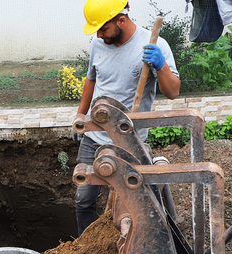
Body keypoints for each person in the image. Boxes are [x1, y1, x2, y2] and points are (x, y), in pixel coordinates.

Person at [75, 0, 181, 236]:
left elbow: (173, 92)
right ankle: (85, 247)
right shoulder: (98, 44)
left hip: (129, 139)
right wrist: (81, 115)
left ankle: (126, 242)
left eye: (103, 29)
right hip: (95, 138)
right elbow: (91, 80)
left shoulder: (154, 45)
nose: (99, 35)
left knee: (129, 201)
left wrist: (161, 65)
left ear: (121, 20)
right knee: (83, 199)